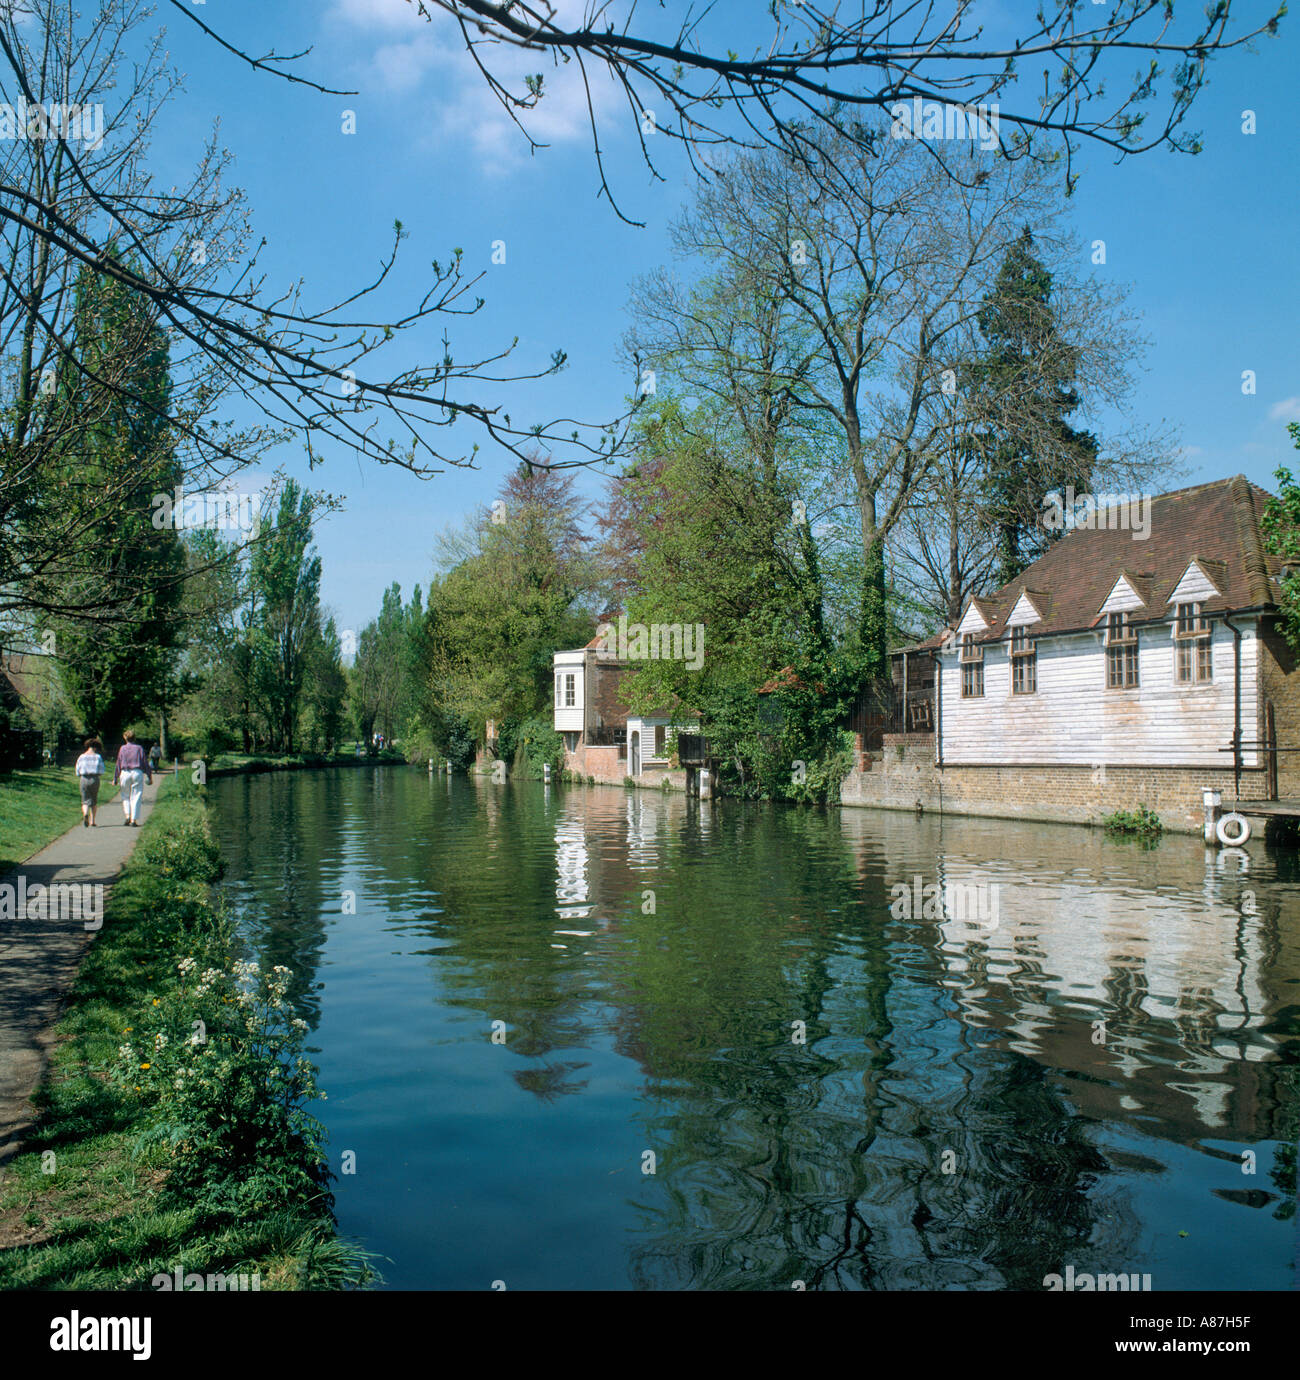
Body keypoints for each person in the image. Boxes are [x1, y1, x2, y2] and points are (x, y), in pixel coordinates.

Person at [114, 729, 152, 827]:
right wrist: (149, 775)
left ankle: (127, 815)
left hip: (125, 773)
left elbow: (118, 763)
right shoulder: (139, 748)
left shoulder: (122, 748)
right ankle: (133, 819)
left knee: (125, 795)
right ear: (134, 738)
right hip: (137, 772)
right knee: (136, 796)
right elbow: (145, 762)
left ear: (125, 738)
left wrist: (115, 777)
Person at [74, 737, 106, 827]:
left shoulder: (82, 757)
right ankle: (93, 821)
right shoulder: (97, 757)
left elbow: (77, 769)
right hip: (94, 779)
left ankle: (85, 814)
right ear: (96, 747)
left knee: (85, 800)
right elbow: (102, 770)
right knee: (94, 800)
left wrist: (79, 775)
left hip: (84, 778)